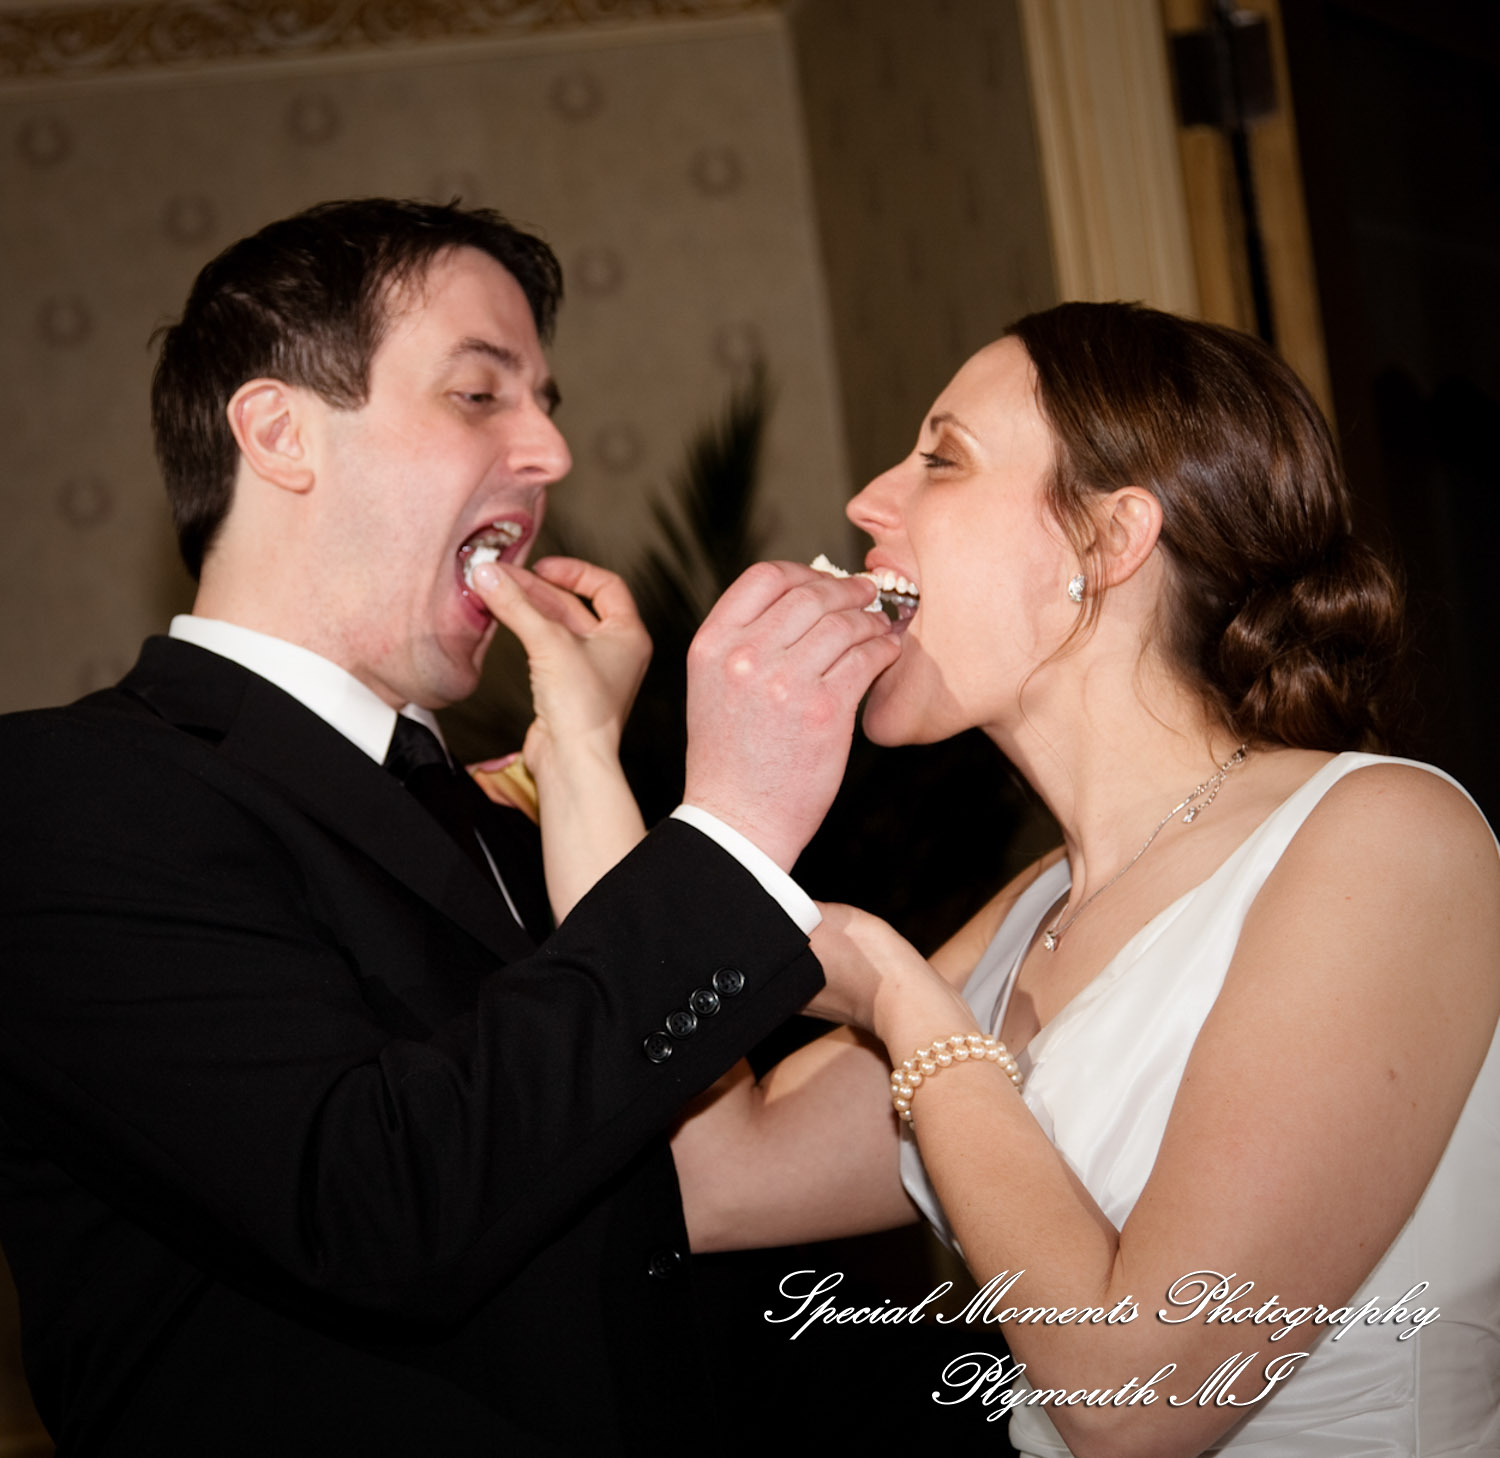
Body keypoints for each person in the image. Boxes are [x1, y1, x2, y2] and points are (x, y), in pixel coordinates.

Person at [0, 198, 901, 1454]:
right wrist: (738, 824)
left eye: (547, 400)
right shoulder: (63, 795)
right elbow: (371, 1205)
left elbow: (672, 1165)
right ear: (278, 433)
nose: (550, 452)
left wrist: (585, 760)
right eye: (481, 396)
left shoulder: (501, 800)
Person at [560, 303, 1500, 1454]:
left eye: (941, 459)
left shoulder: (1386, 836)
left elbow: (1139, 1403)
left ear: (1108, 543)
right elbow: (711, 1178)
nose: (866, 501)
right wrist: (582, 748)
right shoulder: (1036, 909)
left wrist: (908, 1010)